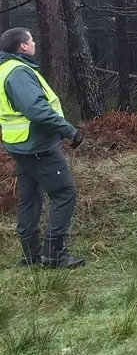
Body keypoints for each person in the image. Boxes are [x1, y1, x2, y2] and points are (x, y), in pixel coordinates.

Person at [0, 28, 85, 268]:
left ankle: (31, 255)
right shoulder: (18, 73)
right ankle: (54, 255)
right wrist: (69, 130)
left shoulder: (4, 69)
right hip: (37, 145)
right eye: (31, 39)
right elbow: (37, 110)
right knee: (64, 193)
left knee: (29, 199)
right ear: (22, 47)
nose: (35, 42)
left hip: (19, 144)